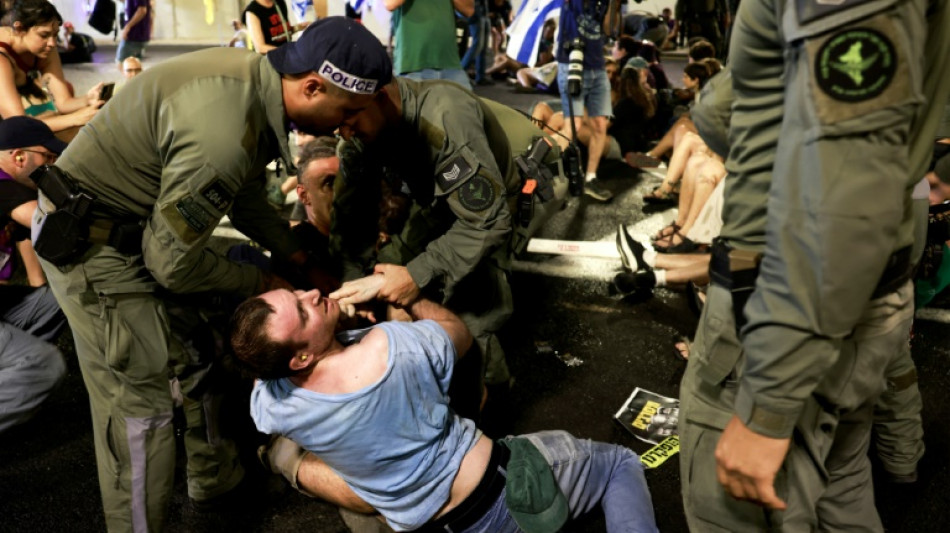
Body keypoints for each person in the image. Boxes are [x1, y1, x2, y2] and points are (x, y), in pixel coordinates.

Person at [31, 17, 392, 532]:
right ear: (313, 87)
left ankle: (214, 477)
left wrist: (300, 260)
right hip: (96, 248)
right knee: (141, 405)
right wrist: (265, 284)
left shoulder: (252, 86)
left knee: (197, 346)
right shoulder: (222, 130)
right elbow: (172, 264)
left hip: (139, 231)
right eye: (347, 110)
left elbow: (243, 198)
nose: (347, 125)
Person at [679, 1, 950, 531]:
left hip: (794, 293)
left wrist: (769, 406)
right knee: (840, 483)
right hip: (852, 291)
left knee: (741, 510)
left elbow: (844, 190)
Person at [230, 283, 660, 533]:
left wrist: (333, 328)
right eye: (303, 310)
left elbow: (265, 372)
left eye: (297, 294)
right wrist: (406, 295)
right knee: (620, 464)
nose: (311, 294)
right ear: (300, 357)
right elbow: (457, 332)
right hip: (503, 492)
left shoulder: (271, 405)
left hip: (431, 527)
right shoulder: (394, 346)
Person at [331, 75, 568, 390]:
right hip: (452, 187)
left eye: (349, 120)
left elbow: (488, 221)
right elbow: (351, 222)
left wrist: (416, 275)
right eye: (336, 124)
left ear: (380, 98)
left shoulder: (444, 117)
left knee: (471, 303)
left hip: (523, 179)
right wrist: (353, 284)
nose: (345, 133)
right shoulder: (357, 128)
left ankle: (488, 393)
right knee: (393, 262)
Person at [0, 115, 68, 435]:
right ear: (19, 157)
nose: (52, 165)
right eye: (47, 157)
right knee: (45, 364)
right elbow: (54, 227)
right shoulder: (4, 187)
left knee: (62, 296)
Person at [0, 0, 102, 137]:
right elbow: (18, 125)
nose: (52, 43)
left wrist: (88, 99)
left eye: (55, 34)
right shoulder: (2, 56)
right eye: (44, 35)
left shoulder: (45, 47)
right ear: (19, 29)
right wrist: (75, 118)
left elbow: (63, 102)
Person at [556, 0, 621, 202]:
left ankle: (590, 178)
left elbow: (610, 30)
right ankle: (544, 173)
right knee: (573, 126)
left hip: (597, 67)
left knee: (600, 125)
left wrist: (615, 4)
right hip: (572, 63)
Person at [386, 0, 474, 88]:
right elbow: (390, 4)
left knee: (466, 97)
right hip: (412, 66)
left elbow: (468, 10)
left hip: (450, 64)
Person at [116, 0, 150, 66]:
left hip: (135, 34)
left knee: (121, 63)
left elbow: (142, 10)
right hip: (136, 34)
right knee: (134, 65)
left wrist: (128, 27)